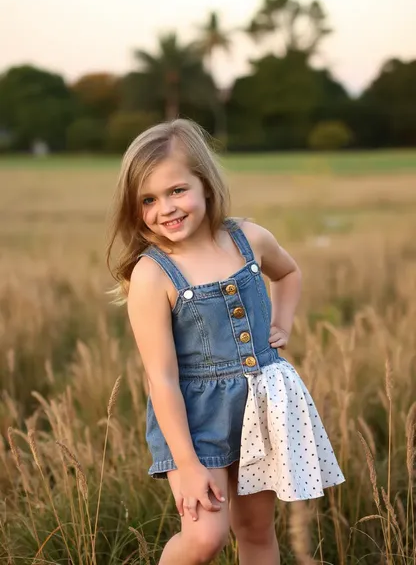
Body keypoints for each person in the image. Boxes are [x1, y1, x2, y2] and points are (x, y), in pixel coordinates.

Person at [106, 119, 345, 565]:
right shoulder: (153, 273)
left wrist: (283, 323)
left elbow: (288, 272)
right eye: (149, 200)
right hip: (195, 423)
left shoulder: (247, 238)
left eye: (178, 190)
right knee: (205, 537)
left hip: (263, 406)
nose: (166, 209)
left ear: (206, 183)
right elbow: (160, 379)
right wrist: (189, 464)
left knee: (255, 529)